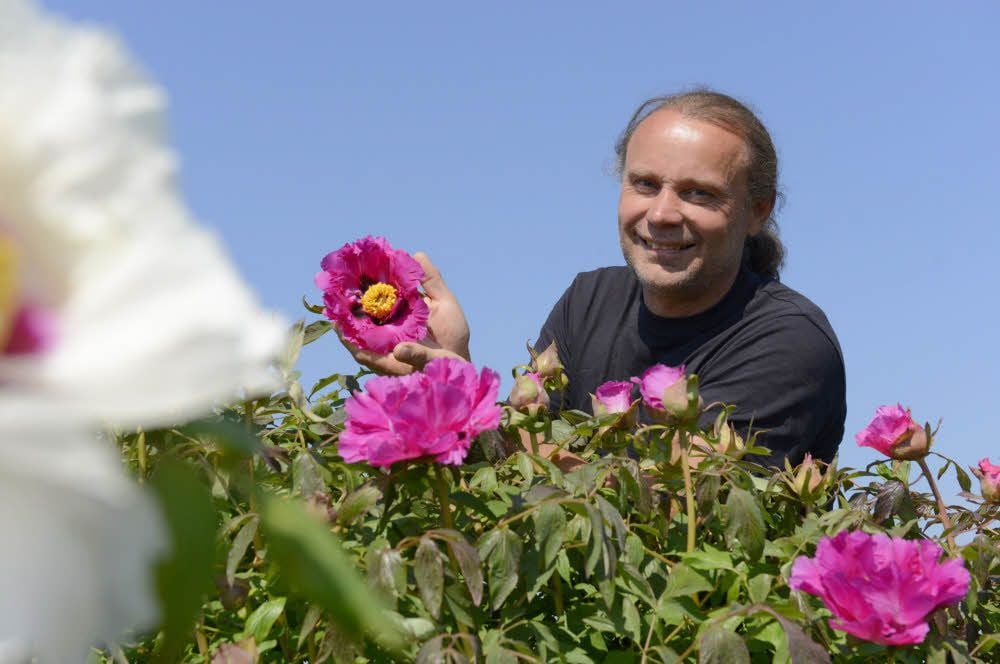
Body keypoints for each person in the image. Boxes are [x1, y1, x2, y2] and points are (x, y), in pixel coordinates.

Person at [340, 89, 846, 468]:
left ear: (756, 212)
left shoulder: (788, 341)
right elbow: (527, 463)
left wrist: (467, 408)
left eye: (698, 194)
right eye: (645, 184)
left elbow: (673, 506)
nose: (663, 213)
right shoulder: (589, 299)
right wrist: (451, 373)